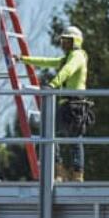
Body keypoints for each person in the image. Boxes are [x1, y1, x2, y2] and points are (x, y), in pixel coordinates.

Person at [19, 26, 92, 182]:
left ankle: (75, 173)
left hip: (76, 105)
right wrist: (24, 59)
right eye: (63, 41)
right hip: (69, 104)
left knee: (69, 138)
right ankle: (61, 170)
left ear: (75, 41)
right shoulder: (68, 57)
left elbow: (67, 70)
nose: (63, 44)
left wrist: (52, 85)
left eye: (67, 41)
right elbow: (47, 62)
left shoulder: (77, 56)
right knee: (56, 134)